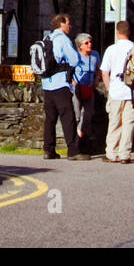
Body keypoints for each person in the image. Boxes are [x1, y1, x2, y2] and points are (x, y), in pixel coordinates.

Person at [41, 13, 88, 160]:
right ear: (61, 23)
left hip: (46, 84)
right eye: (68, 23)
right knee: (68, 117)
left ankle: (48, 150)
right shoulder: (62, 39)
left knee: (50, 119)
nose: (70, 26)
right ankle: (73, 151)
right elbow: (74, 60)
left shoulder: (47, 38)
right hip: (60, 83)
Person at [98, 20, 134, 163]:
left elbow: (104, 73)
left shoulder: (111, 49)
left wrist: (108, 89)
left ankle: (112, 153)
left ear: (117, 33)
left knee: (114, 123)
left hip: (116, 92)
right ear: (129, 32)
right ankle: (125, 154)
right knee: (129, 125)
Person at [70, 32, 99, 147]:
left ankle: (84, 139)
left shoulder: (95, 55)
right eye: (86, 43)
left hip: (89, 87)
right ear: (80, 45)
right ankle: (76, 138)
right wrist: (73, 83)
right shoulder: (75, 56)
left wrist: (96, 81)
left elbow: (98, 70)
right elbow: (69, 71)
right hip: (77, 87)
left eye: (90, 42)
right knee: (76, 113)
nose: (89, 44)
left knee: (87, 113)